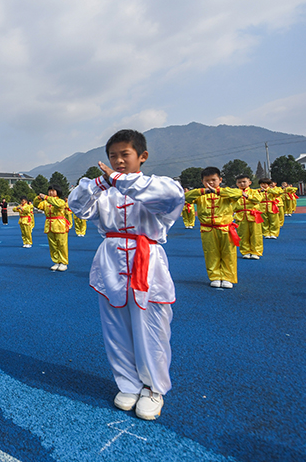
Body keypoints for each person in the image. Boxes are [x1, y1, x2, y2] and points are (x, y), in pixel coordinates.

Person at [68, 129, 183, 421]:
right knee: (115, 327)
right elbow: (77, 206)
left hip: (147, 263)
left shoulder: (158, 187)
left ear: (142, 157)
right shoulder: (104, 193)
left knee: (152, 326)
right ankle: (128, 384)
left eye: (125, 155)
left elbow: (169, 197)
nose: (118, 161)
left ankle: (154, 388)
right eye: (113, 156)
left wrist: (120, 180)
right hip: (111, 260)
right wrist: (99, 183)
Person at [185, 167, 245, 289]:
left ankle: (228, 277)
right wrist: (202, 192)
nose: (211, 183)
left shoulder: (226, 192)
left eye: (214, 179)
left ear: (220, 180)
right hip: (207, 229)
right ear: (202, 181)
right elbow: (185, 197)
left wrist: (218, 192)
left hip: (226, 229)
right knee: (211, 253)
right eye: (207, 180)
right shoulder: (200, 194)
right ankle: (215, 276)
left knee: (228, 253)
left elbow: (238, 193)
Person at [33, 186, 69, 271]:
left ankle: (63, 262)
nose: (50, 192)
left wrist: (46, 197)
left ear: (58, 192)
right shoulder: (46, 202)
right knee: (53, 245)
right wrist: (38, 198)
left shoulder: (61, 201)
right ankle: (56, 261)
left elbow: (58, 204)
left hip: (59, 225)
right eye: (49, 191)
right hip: (49, 225)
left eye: (53, 191)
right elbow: (36, 205)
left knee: (62, 244)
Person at [233, 174, 265, 260]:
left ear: (249, 182)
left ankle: (256, 252)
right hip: (240, 216)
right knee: (243, 235)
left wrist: (248, 196)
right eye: (239, 182)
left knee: (256, 234)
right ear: (236, 184)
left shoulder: (254, 192)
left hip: (253, 216)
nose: (242, 184)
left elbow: (258, 200)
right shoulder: (235, 194)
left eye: (244, 182)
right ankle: (245, 251)